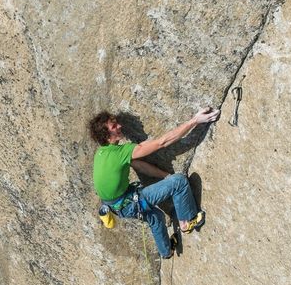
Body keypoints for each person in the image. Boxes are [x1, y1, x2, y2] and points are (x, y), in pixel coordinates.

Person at [88, 106, 220, 258]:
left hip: (116, 206)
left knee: (155, 216)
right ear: (106, 135)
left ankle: (166, 252)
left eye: (116, 122)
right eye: (113, 126)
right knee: (179, 182)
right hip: (128, 202)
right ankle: (187, 221)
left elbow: (140, 166)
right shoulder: (121, 152)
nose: (120, 126)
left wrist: (165, 176)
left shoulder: (101, 152)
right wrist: (195, 121)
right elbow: (161, 143)